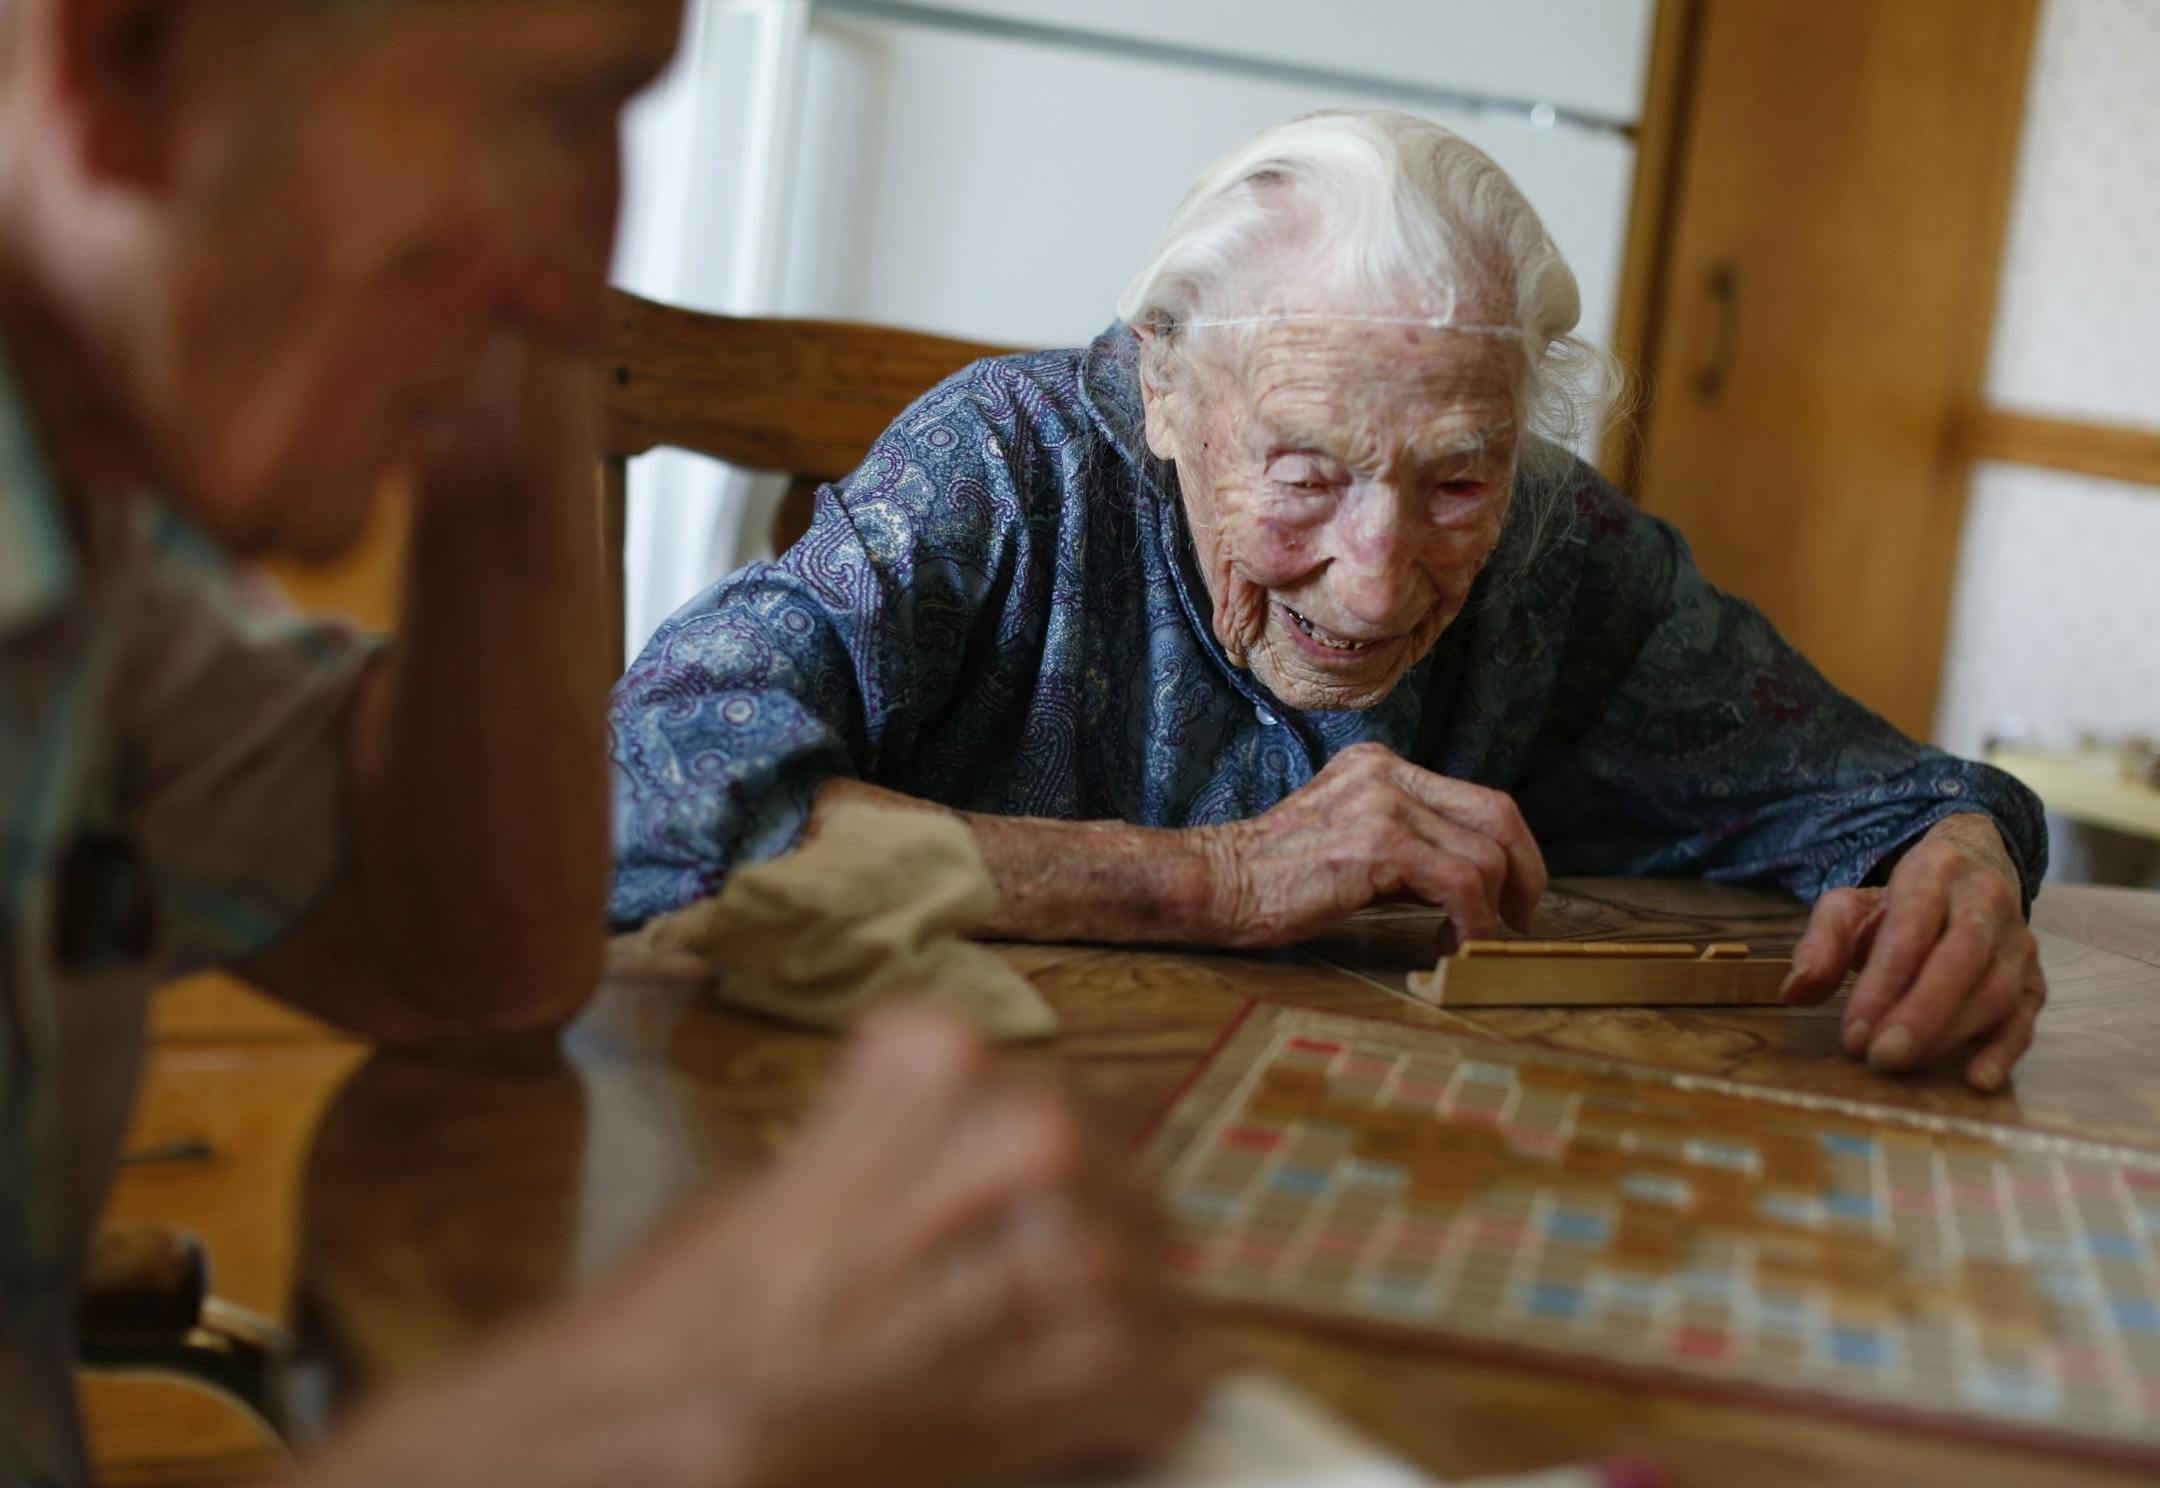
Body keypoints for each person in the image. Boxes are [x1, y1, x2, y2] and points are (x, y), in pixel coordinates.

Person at [0, 2, 1195, 1484]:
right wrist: (644, 1414)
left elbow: (466, 955)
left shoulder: (93, 540)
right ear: (121, 63)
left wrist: (504, 404)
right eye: (550, 117)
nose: (593, 294)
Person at [612, 108, 2050, 1096]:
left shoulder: (1558, 548)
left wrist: (1965, 863)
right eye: (1304, 471)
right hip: (903, 1158)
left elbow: (1883, 793)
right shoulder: (1004, 467)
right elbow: (645, 791)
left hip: (1355, 1174)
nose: (1373, 580)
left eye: (1455, 484)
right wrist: (1214, 878)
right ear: (1164, 385)